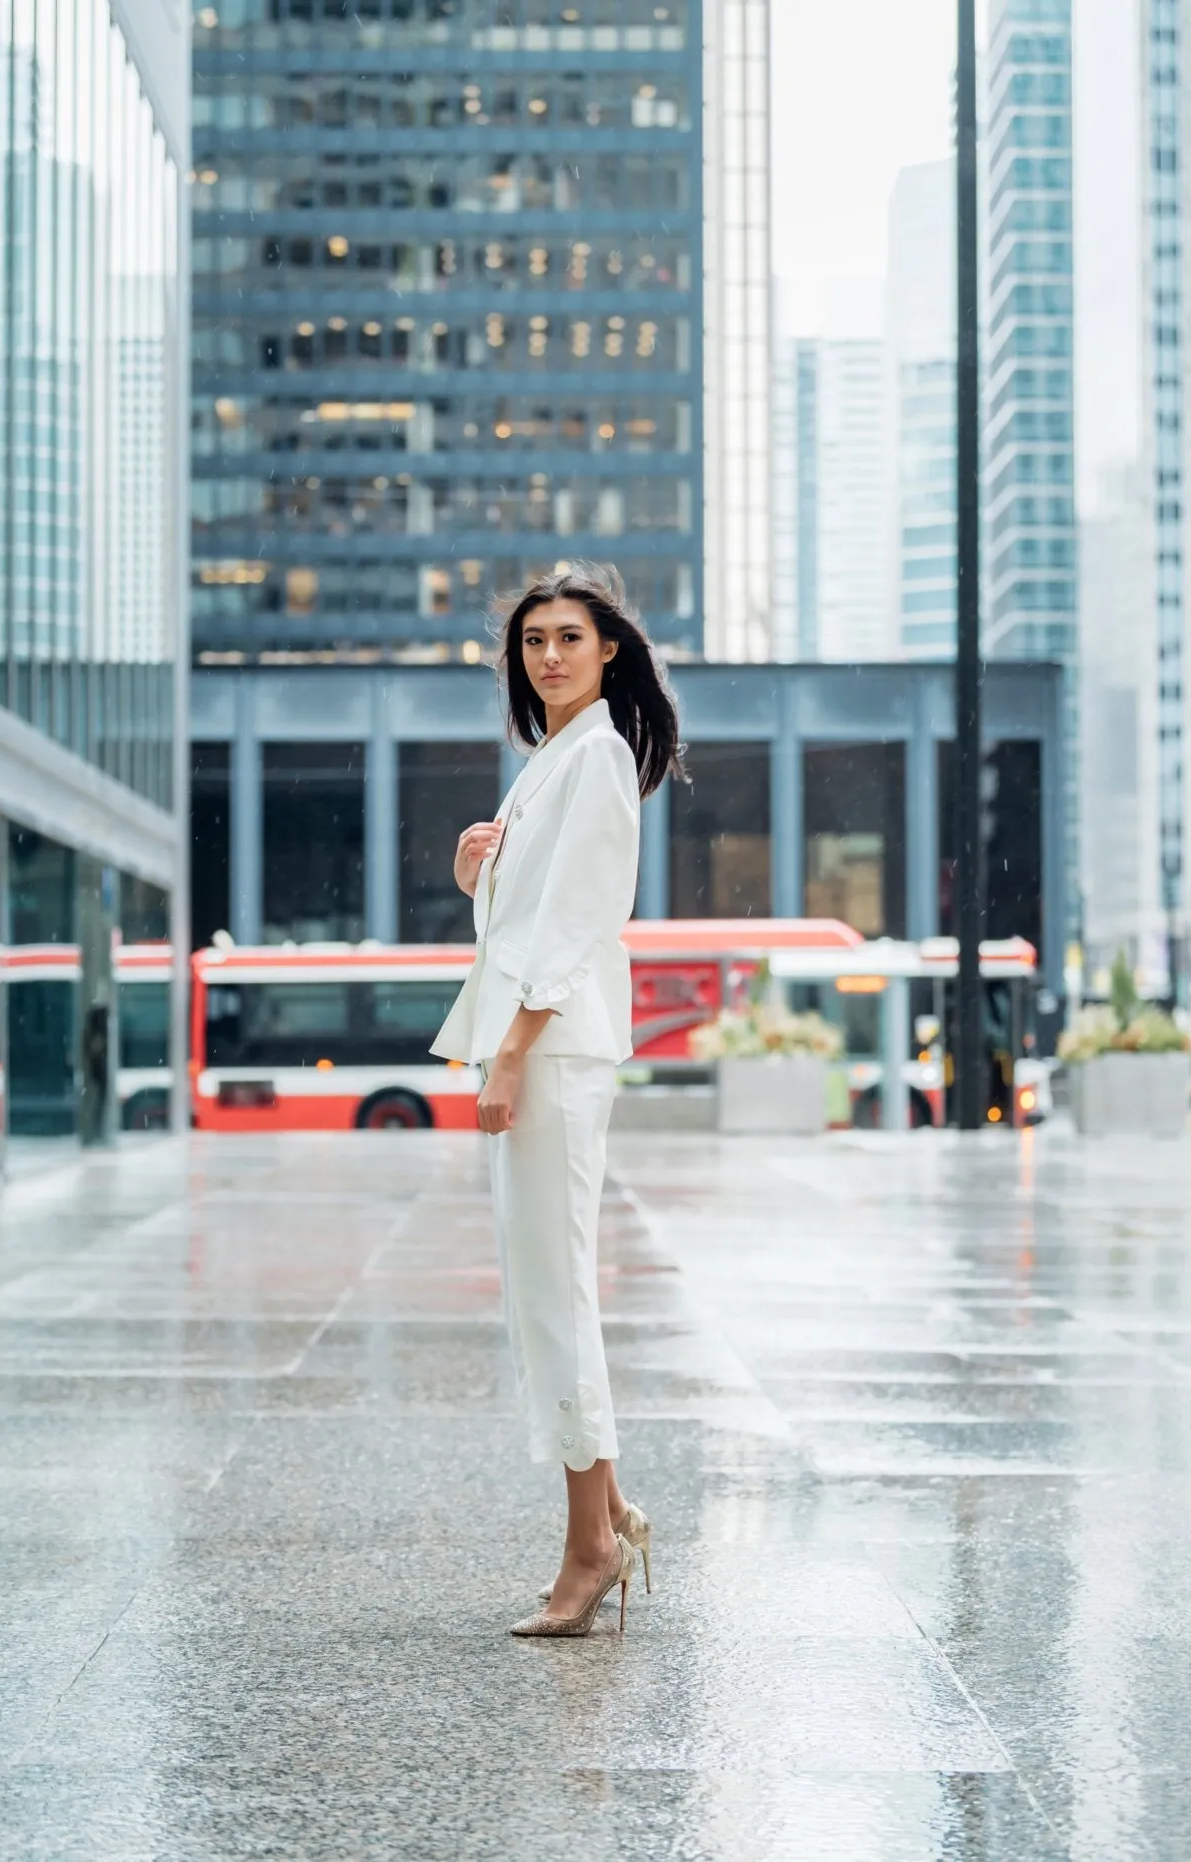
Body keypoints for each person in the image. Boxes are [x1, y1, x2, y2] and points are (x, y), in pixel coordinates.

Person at [432, 563, 681, 1638]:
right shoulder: (553, 760)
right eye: (534, 641)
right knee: (546, 1292)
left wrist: (514, 1052)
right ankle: (609, 1511)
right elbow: (522, 912)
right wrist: (471, 870)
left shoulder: (598, 757)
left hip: (554, 1049)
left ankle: (591, 1545)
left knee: (556, 1295)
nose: (549, 655)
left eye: (569, 637)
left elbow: (579, 918)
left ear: (608, 648)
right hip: (539, 1043)